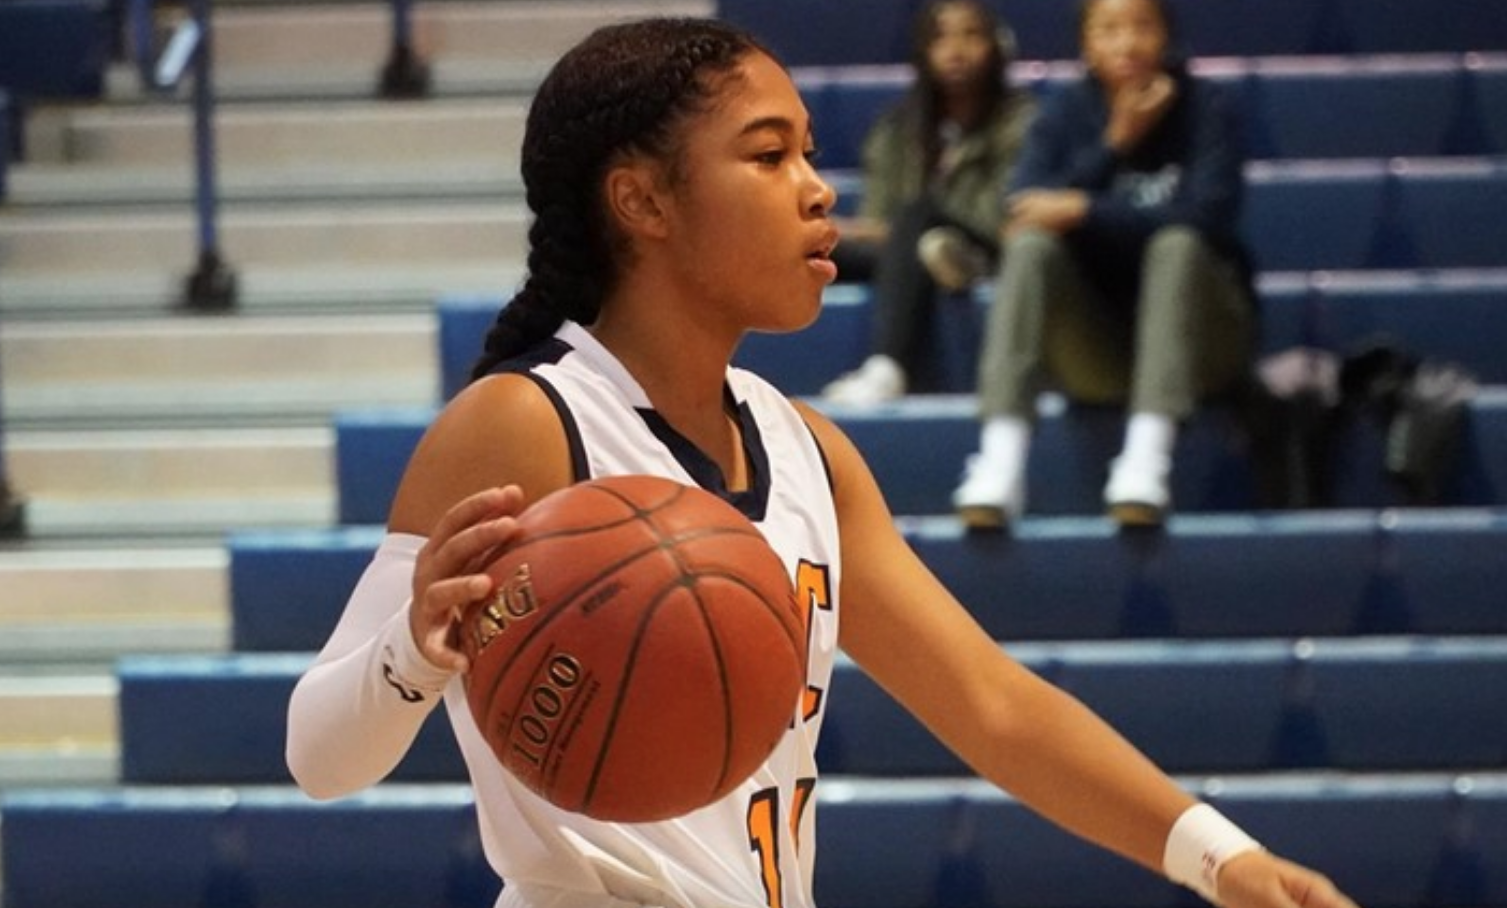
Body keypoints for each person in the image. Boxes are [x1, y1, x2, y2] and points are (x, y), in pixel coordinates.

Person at [286, 17, 1356, 908]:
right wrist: (410, 653)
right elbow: (319, 758)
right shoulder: (524, 423)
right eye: (767, 155)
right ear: (641, 202)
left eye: (806, 150)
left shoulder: (807, 448)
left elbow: (990, 702)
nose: (815, 188)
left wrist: (1218, 855)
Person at [951, 0, 1258, 529]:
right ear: (1086, 44)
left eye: (1142, 26)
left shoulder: (1207, 107)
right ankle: (999, 463)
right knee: (1030, 248)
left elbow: (1211, 217)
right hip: (1101, 352)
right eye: (1109, 29)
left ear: (1167, 36)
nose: (1127, 43)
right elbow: (1021, 210)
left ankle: (1147, 459)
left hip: (1204, 345)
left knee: (1176, 244)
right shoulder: (1065, 112)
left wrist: (1084, 209)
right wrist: (1115, 143)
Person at [822, 0, 1036, 404]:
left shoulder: (1025, 120)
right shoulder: (896, 128)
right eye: (941, 37)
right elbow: (879, 217)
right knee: (806, 245)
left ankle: (887, 367)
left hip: (987, 245)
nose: (955, 49)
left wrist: (899, 227)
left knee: (920, 215)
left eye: (970, 35)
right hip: (903, 249)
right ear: (923, 51)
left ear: (997, 46)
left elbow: (1005, 216)